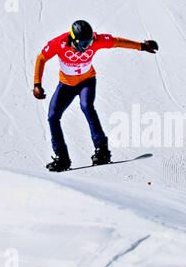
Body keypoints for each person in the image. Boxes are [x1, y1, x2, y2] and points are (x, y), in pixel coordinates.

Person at [33, 20, 159, 172]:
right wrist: (37, 84)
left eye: (89, 42)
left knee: (87, 106)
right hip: (66, 85)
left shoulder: (95, 40)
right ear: (73, 39)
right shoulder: (59, 43)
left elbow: (116, 42)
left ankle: (102, 151)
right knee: (53, 116)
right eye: (83, 44)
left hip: (87, 82)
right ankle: (62, 158)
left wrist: (142, 46)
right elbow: (41, 58)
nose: (87, 47)